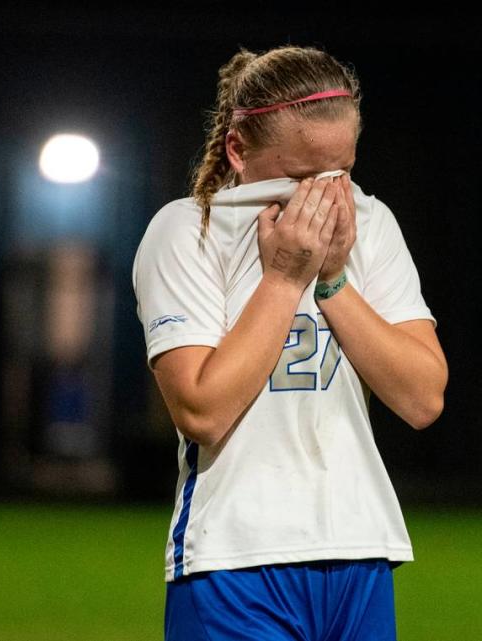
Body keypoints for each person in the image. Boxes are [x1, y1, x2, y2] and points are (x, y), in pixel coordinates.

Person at [132, 46, 447, 640]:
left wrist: (333, 280)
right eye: (303, 176)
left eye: (342, 172)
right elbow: (201, 409)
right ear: (238, 150)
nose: (326, 197)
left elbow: (422, 398)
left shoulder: (371, 224)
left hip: (359, 546)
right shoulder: (185, 231)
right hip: (234, 559)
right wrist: (284, 278)